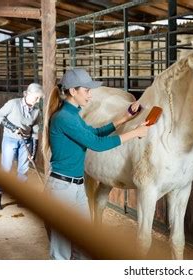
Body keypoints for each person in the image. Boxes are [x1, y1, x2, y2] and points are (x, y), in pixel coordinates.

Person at [42, 68, 149, 260]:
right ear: (73, 91)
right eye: (87, 90)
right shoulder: (64, 118)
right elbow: (96, 144)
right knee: (61, 253)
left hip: (76, 187)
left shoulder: (74, 114)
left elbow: (95, 134)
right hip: (61, 189)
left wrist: (124, 118)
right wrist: (134, 133)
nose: (90, 95)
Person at [0, 83, 44, 210]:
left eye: (39, 98)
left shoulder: (36, 111)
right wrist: (13, 128)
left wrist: (32, 152)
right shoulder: (13, 104)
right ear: (27, 94)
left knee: (23, 170)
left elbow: (35, 132)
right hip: (10, 140)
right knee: (6, 169)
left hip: (26, 142)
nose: (38, 101)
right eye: (36, 98)